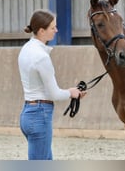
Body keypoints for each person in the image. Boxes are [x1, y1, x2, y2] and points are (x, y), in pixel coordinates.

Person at [18, 9, 86, 160]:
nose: (56, 30)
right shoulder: (41, 57)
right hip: (40, 115)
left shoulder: (25, 49)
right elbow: (54, 94)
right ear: (42, 31)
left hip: (28, 112)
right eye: (52, 27)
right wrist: (71, 92)